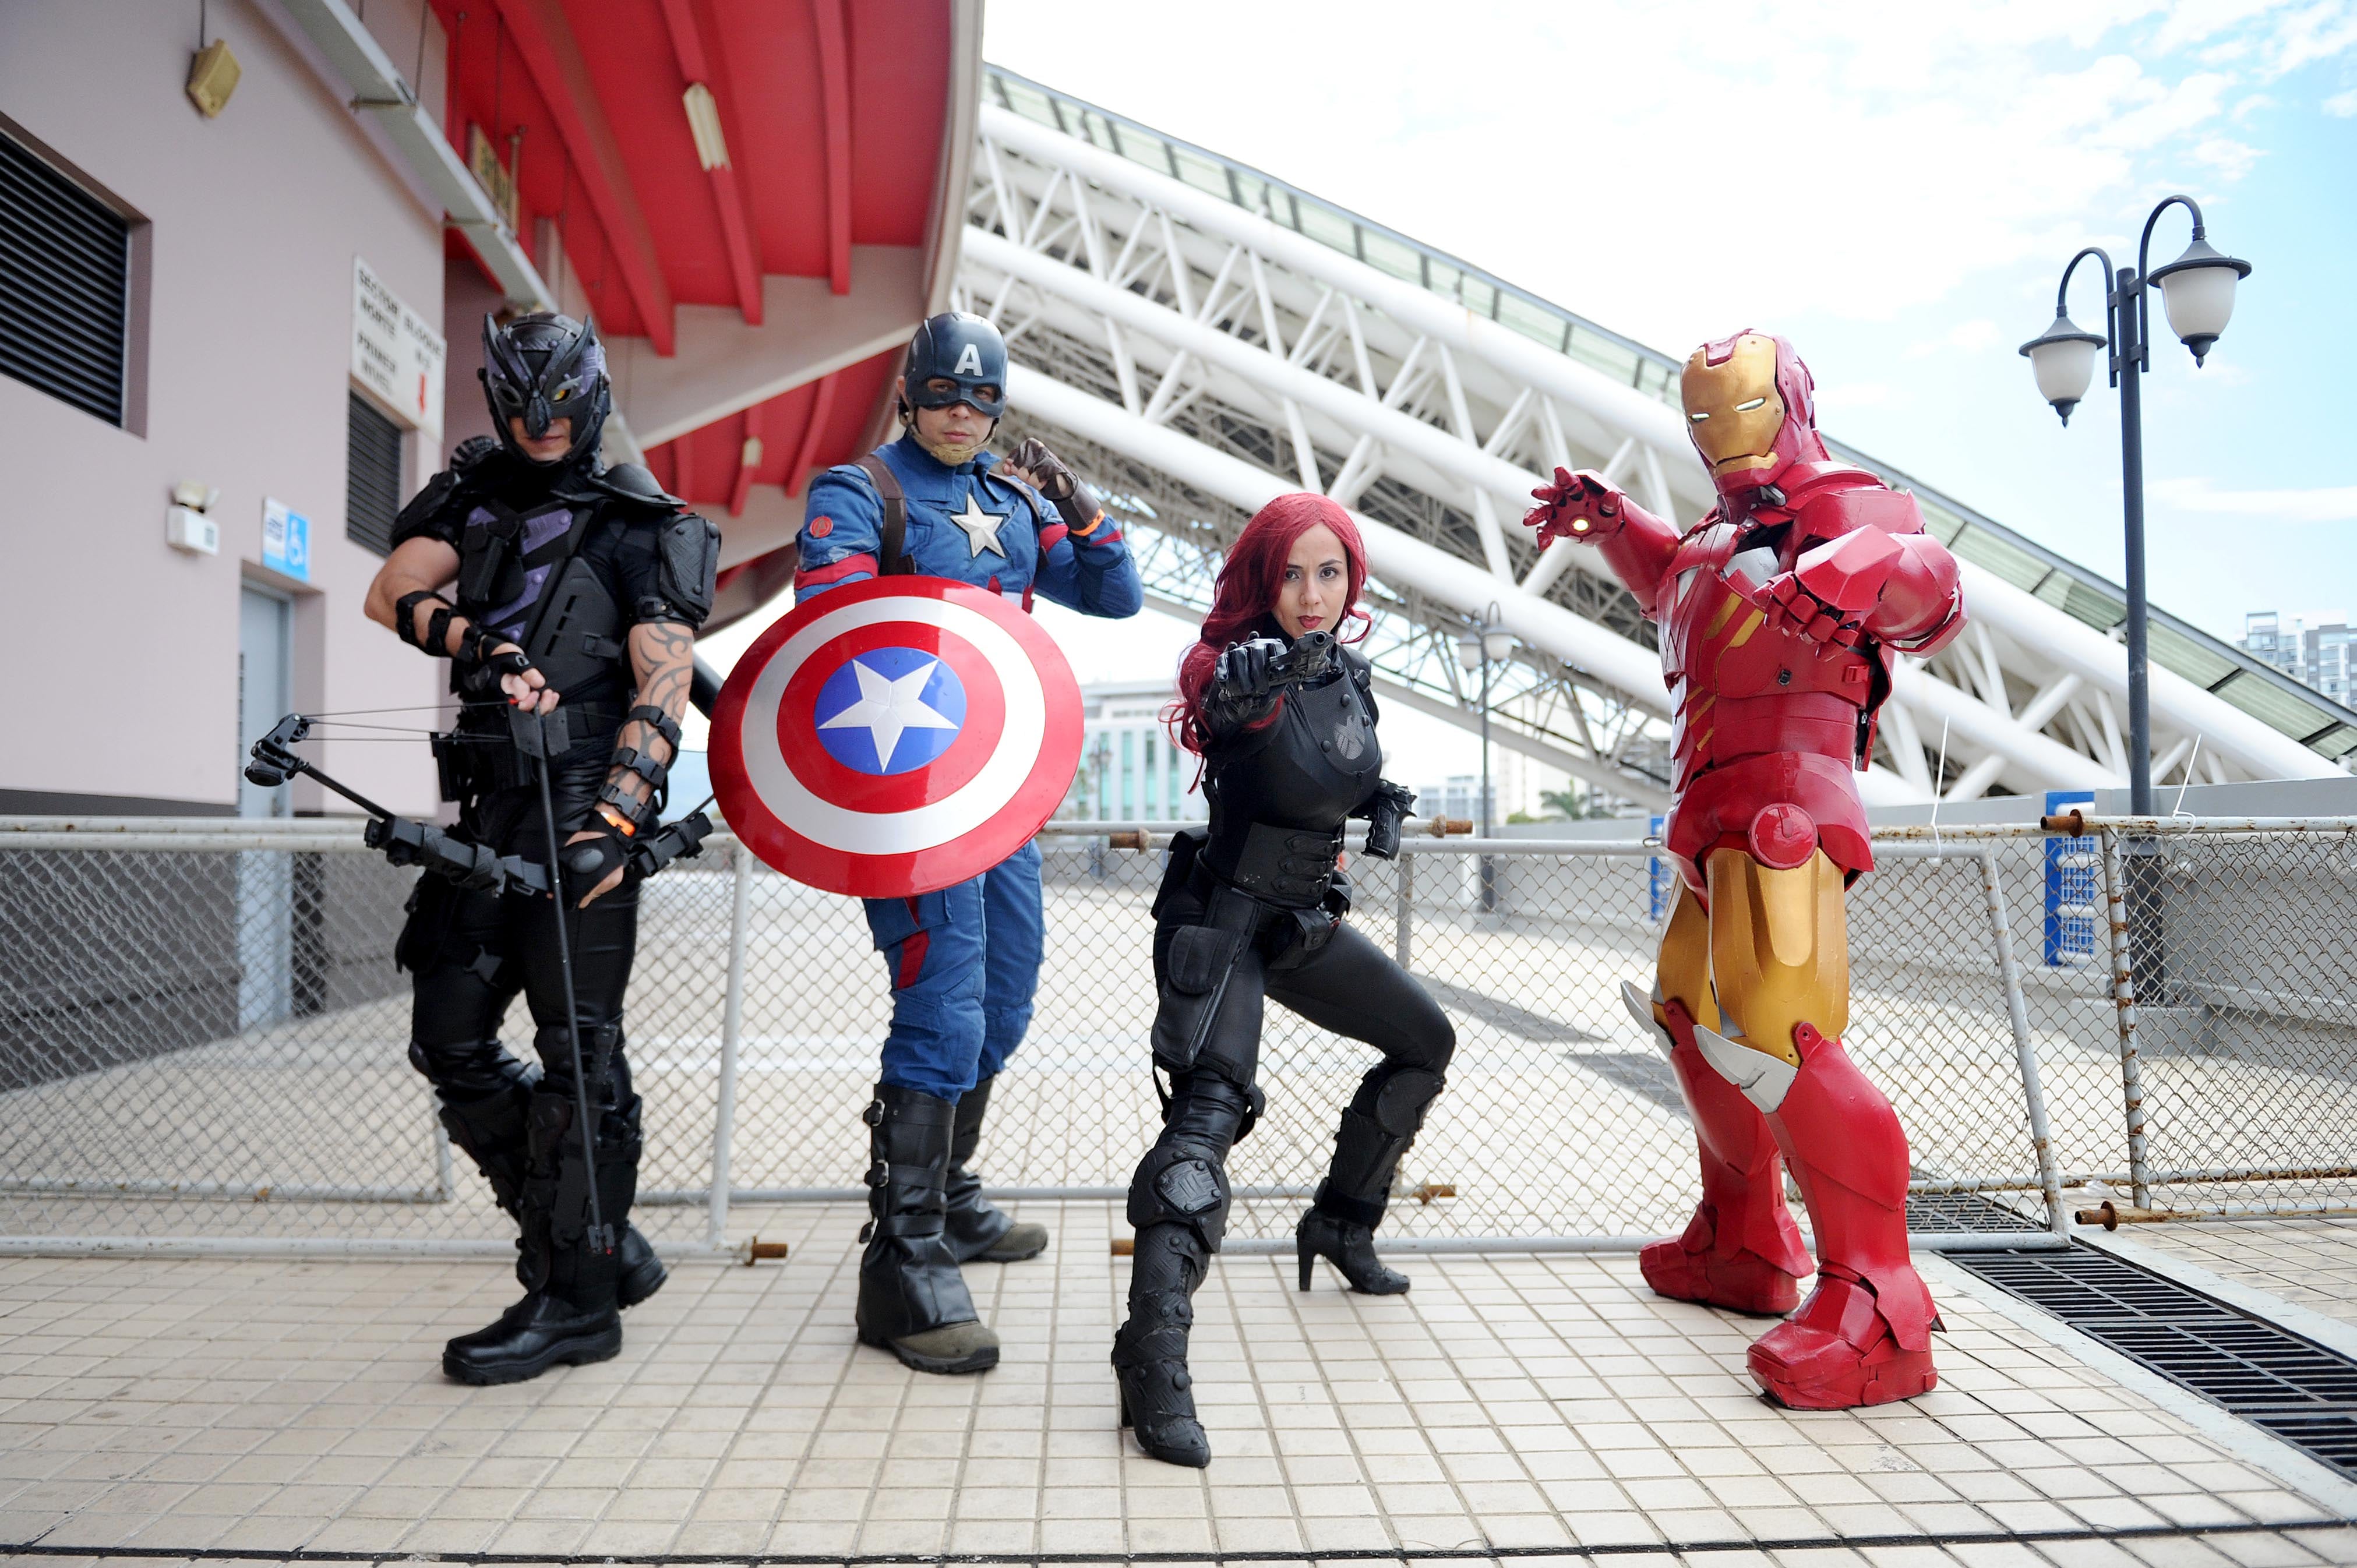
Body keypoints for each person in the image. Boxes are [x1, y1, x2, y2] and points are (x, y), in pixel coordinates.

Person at [1523, 330, 1966, 1410]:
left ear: (1791, 402)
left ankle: (1880, 1304)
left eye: (1742, 409)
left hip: (1787, 805)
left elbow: (1932, 593)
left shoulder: (1840, 503)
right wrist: (1616, 525)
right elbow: (1684, 591)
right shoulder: (1725, 536)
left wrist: (1858, 568)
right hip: (1707, 808)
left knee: (1787, 1035)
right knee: (1688, 1013)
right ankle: (1743, 1239)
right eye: (1704, 419)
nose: (1723, 434)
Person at [361, 311, 718, 1385]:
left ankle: (575, 1299)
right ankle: (600, 1237)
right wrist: (482, 639)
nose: (540, 425)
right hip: (485, 806)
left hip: (580, 806)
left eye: (558, 408)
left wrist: (615, 817)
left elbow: (662, 691)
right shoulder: (474, 490)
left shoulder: (639, 523)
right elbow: (394, 595)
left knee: (580, 1054)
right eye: (521, 408)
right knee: (450, 1033)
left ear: (592, 397)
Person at [792, 311, 1142, 1375]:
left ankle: (946, 1197)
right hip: (911, 796)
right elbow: (835, 622)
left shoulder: (1011, 497)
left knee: (1008, 993)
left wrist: (1073, 502)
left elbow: (1118, 597)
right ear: (911, 393)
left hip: (999, 796)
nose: (960, 414)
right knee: (942, 998)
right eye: (943, 394)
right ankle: (902, 1261)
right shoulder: (862, 493)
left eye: (980, 398)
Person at [1111, 493, 1455, 1468]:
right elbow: (1230, 710)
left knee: (1425, 1042)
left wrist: (1378, 805)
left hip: (1302, 921)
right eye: (1292, 573)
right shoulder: (1230, 662)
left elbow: (1327, 770)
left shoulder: (1349, 670)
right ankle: (1152, 1358)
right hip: (1221, 925)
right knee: (1204, 1123)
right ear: (1263, 577)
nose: (1311, 594)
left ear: (1353, 580)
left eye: (1330, 572)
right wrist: (1238, 689)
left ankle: (1341, 1225)